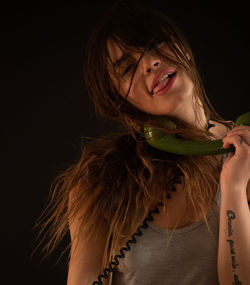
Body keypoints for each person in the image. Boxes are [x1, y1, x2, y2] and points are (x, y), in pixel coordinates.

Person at [36, 1, 250, 284]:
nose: (149, 63)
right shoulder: (99, 181)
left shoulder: (246, 154)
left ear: (183, 49)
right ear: (119, 101)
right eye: (127, 69)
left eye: (154, 45)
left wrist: (234, 189)